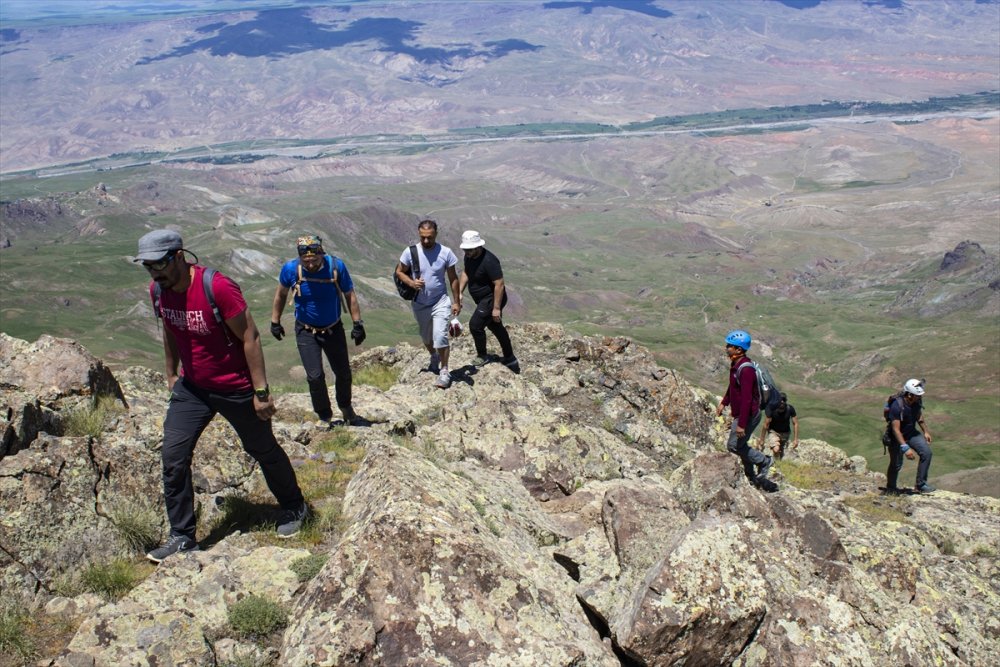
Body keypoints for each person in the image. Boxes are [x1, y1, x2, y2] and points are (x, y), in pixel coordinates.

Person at [135, 229, 307, 563]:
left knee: (261, 448)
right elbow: (171, 331)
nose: (154, 272)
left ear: (179, 256)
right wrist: (171, 373)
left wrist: (260, 392)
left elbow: (251, 337)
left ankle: (293, 505)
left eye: (159, 264)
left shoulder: (217, 287)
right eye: (148, 267)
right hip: (193, 388)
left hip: (235, 387)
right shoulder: (159, 291)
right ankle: (182, 536)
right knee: (173, 457)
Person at [270, 234, 366, 427]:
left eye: (314, 259)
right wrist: (275, 321)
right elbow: (281, 294)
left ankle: (346, 407)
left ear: (322, 253)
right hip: (306, 330)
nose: (310, 264)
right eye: (306, 260)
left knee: (343, 372)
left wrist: (357, 323)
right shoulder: (290, 269)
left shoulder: (336, 267)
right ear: (300, 257)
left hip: (333, 328)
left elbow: (350, 295)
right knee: (315, 377)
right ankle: (324, 415)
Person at [394, 219, 462, 389]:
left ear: (436, 234)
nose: (426, 241)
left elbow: (453, 278)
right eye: (423, 237)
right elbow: (399, 272)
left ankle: (444, 371)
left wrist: (456, 302)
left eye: (429, 237)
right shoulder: (410, 252)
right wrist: (411, 283)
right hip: (419, 302)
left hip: (440, 300)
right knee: (426, 337)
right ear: (419, 234)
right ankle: (433, 355)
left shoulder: (446, 253)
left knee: (440, 335)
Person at [715, 329, 775, 491]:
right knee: (740, 445)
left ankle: (764, 461)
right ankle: (750, 475)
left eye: (730, 345)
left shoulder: (746, 369)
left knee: (734, 446)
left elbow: (747, 398)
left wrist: (741, 423)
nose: (726, 347)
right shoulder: (736, 364)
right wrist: (724, 402)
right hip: (742, 414)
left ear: (739, 349)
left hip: (748, 415)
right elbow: (733, 387)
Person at [457, 230, 519, 373]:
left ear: (478, 247)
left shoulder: (489, 260)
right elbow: (466, 272)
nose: (467, 252)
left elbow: (499, 284)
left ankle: (482, 356)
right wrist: (459, 292)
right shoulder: (469, 257)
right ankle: (510, 358)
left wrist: (496, 308)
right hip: (482, 300)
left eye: (470, 250)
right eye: (465, 249)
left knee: (475, 326)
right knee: (495, 327)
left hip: (491, 299)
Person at [886, 378, 934, 494]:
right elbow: (896, 430)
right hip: (896, 437)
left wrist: (925, 431)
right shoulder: (897, 406)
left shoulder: (916, 402)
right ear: (909, 395)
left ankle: (921, 485)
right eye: (917, 395)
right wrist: (905, 447)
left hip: (911, 433)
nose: (919, 397)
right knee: (896, 464)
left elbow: (919, 417)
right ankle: (891, 488)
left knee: (926, 453)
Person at [757, 393, 798, 459]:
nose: (782, 401)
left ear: (786, 401)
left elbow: (795, 423)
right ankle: (774, 463)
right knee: (776, 449)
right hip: (773, 432)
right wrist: (762, 439)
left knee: (781, 452)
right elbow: (766, 424)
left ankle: (778, 462)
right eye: (780, 400)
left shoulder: (790, 409)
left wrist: (795, 439)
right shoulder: (771, 409)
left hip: (785, 433)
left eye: (783, 400)